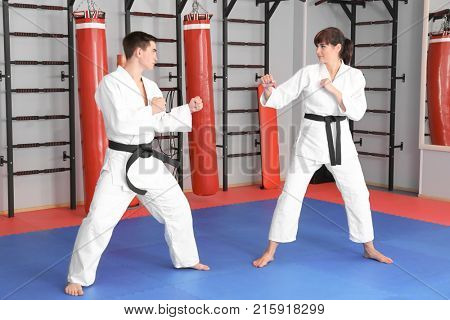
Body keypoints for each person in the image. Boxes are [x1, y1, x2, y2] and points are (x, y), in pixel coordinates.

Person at [65, 31, 209, 296]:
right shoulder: (110, 84)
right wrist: (151, 111)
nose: (156, 56)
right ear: (139, 52)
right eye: (153, 50)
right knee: (98, 220)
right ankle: (78, 276)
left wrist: (188, 108)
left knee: (178, 208)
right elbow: (120, 123)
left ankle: (187, 259)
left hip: (148, 159)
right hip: (120, 162)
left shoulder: (151, 86)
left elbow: (160, 122)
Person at [253, 27, 393, 268]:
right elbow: (280, 97)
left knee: (358, 193)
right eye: (316, 46)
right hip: (311, 138)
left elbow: (358, 112)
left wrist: (334, 90)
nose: (318, 51)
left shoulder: (354, 76)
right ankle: (270, 249)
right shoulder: (308, 73)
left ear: (337, 48)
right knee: (291, 193)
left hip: (340, 139)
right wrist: (268, 89)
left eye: (323, 46)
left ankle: (368, 247)